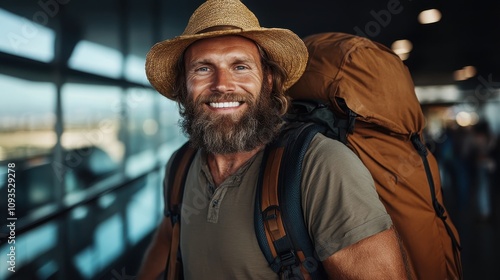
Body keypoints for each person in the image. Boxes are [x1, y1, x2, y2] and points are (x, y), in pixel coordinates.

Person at [138, 0, 411, 279]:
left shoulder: (321, 166)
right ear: (185, 84)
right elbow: (167, 240)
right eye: (203, 69)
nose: (222, 84)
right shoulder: (180, 165)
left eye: (241, 66)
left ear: (268, 80)